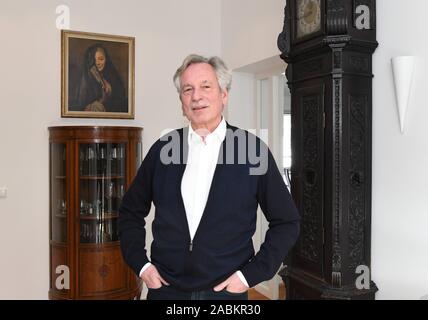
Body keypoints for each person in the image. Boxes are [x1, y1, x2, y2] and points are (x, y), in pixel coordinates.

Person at [118, 54, 300, 300]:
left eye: (206, 86)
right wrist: (142, 266)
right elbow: (129, 212)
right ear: (181, 101)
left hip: (225, 294)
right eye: (187, 89)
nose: (196, 96)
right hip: (167, 291)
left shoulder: (252, 151)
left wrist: (250, 275)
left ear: (223, 94)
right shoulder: (163, 151)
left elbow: (286, 221)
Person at [72, 44, 127, 112]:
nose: (97, 63)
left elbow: (121, 103)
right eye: (94, 60)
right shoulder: (86, 79)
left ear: (106, 59)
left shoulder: (113, 78)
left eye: (101, 59)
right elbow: (81, 104)